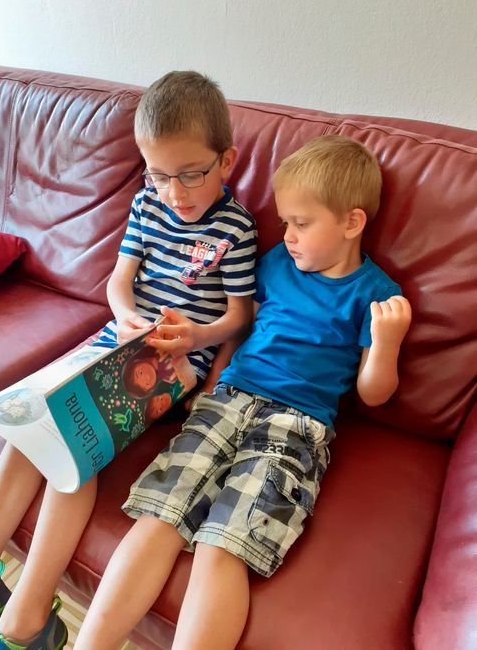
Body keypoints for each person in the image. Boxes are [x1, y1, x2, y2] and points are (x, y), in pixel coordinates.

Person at [73, 135, 412, 650]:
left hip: (295, 425)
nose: (288, 235)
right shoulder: (275, 263)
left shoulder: (377, 294)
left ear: (352, 222)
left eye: (302, 224)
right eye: (285, 222)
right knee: (158, 517)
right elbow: (242, 330)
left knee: (223, 544)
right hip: (227, 400)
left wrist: (386, 343)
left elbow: (374, 395)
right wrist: (208, 391)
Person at [0, 71, 257, 650]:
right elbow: (118, 284)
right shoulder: (147, 203)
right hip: (119, 338)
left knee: (73, 448)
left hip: (176, 362)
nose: (175, 193)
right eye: (159, 174)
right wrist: (126, 316)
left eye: (191, 175)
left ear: (226, 160)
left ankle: (27, 624)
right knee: (28, 430)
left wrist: (194, 334)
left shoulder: (237, 228)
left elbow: (240, 317)